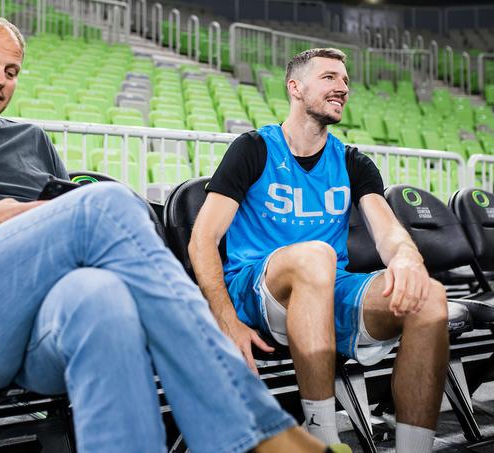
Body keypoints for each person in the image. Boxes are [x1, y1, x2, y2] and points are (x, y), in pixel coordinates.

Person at [0, 14, 336, 453]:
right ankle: (251, 430)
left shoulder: (31, 140)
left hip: (30, 327)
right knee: (106, 202)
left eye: (11, 71)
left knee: (100, 297)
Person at [189, 48, 449, 453]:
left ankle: (415, 448)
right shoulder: (254, 148)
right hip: (259, 289)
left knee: (429, 296)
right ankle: (321, 439)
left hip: (327, 289)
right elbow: (202, 239)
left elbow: (388, 232)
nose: (342, 88)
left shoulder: (352, 161)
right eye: (329, 78)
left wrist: (406, 258)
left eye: (345, 81)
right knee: (316, 255)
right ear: (295, 87)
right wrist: (225, 320)